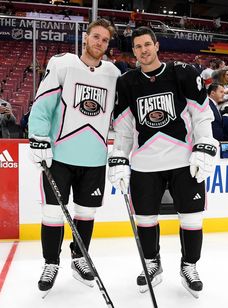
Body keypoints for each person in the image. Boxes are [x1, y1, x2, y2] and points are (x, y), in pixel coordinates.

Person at [108, 26, 218, 298]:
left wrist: (204, 146)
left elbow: (201, 115)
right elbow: (123, 130)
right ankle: (152, 263)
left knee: (192, 218)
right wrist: (119, 157)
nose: (143, 50)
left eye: (147, 44)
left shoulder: (182, 73)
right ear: (133, 52)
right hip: (145, 165)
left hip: (183, 161)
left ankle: (189, 266)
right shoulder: (126, 82)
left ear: (156, 45)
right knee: (145, 218)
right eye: (137, 47)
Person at [28, 18, 120, 293]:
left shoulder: (114, 74)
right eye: (96, 37)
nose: (99, 43)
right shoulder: (62, 64)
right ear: (85, 38)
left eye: (105, 40)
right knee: (53, 212)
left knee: (86, 213)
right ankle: (51, 262)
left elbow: (123, 117)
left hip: (94, 158)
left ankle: (80, 258)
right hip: (60, 155)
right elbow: (43, 102)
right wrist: (39, 137)